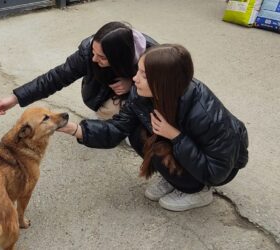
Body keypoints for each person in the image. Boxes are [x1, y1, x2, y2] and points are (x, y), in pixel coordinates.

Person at [58, 44, 249, 212]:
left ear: (164, 82)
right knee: (135, 133)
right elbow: (118, 128)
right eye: (138, 70)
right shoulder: (142, 93)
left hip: (219, 168)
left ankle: (198, 191)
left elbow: (216, 171)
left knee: (156, 140)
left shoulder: (205, 114)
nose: (134, 78)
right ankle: (174, 179)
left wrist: (176, 136)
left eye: (143, 74)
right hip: (187, 149)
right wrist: (73, 128)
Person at [0, 21, 158, 120]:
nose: (93, 59)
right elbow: (55, 78)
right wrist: (15, 98)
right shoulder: (88, 52)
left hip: (139, 97)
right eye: (94, 52)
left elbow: (168, 92)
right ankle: (113, 121)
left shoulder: (154, 55)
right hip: (103, 96)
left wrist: (133, 84)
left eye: (102, 57)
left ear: (119, 56)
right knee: (113, 114)